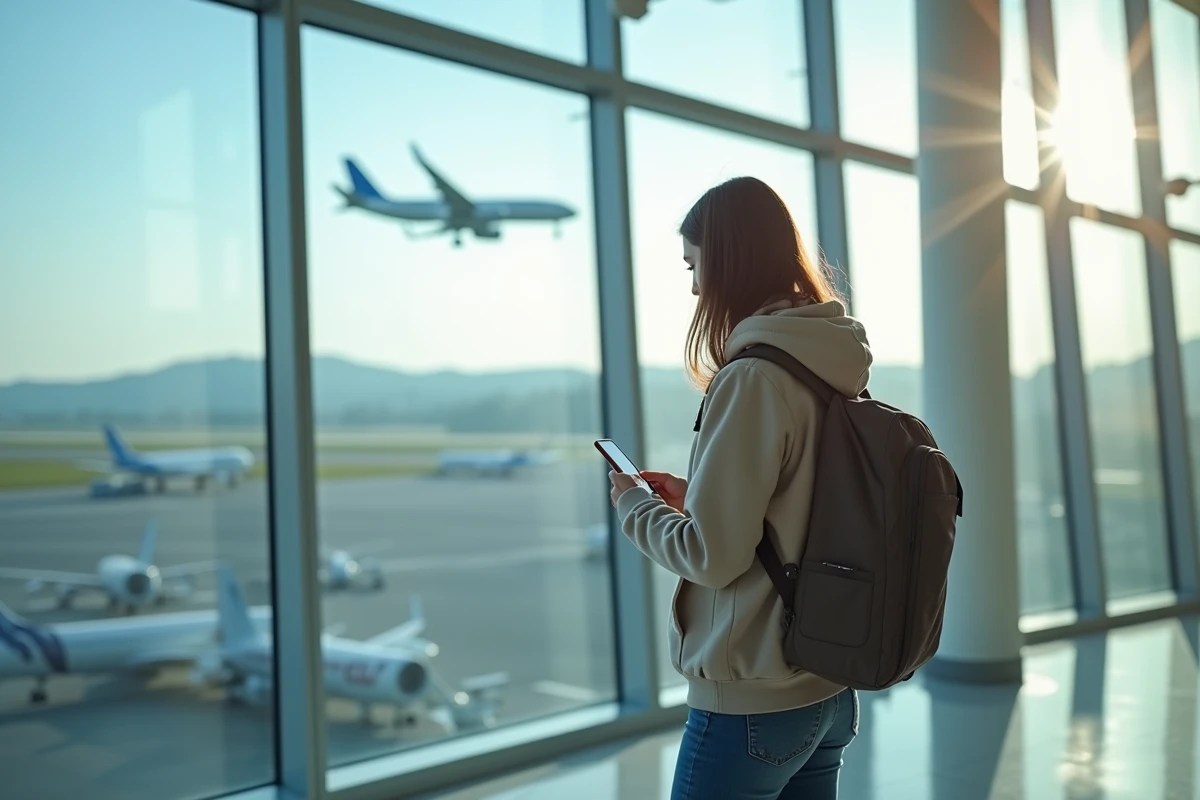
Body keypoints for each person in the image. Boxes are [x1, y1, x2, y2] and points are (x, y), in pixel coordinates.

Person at [608, 176, 872, 800]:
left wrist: (634, 507)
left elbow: (714, 557)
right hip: (826, 688)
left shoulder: (753, 376)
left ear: (728, 261)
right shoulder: (827, 363)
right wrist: (693, 495)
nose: (696, 287)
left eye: (695, 266)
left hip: (754, 701)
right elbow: (796, 503)